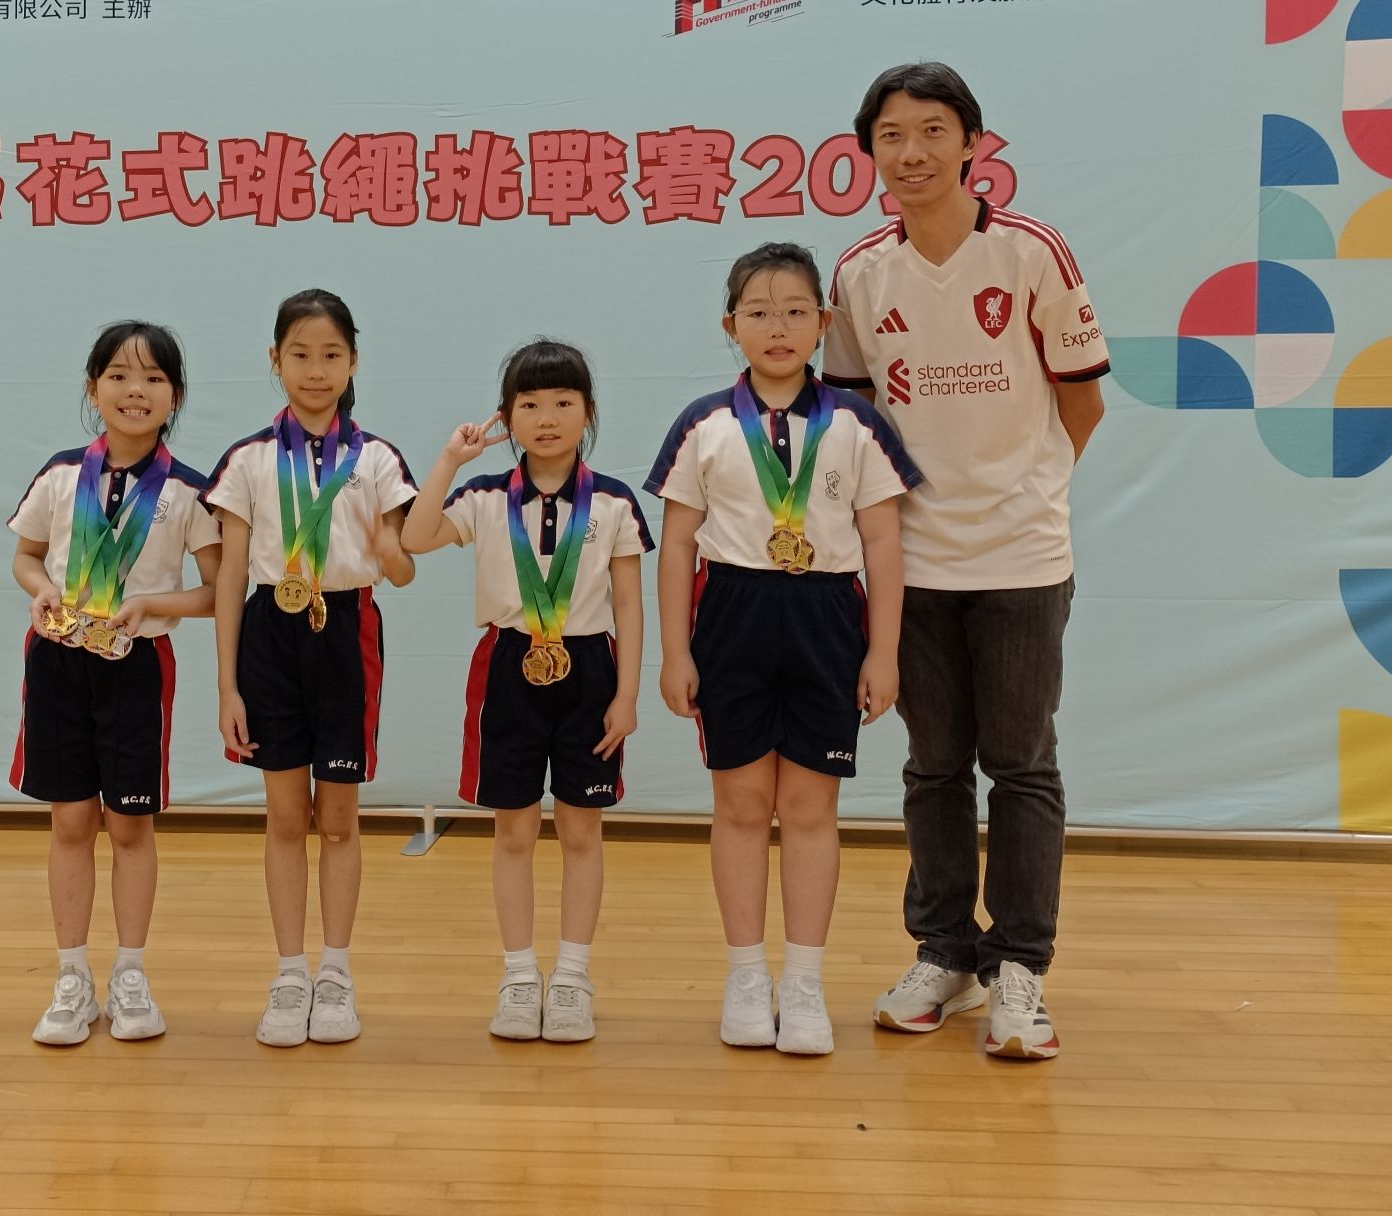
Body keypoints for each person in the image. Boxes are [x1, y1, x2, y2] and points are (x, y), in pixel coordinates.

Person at [824, 61, 1108, 1059]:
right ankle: (945, 951)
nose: (912, 153)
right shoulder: (860, 273)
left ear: (974, 145)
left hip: (1023, 558)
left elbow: (1083, 401)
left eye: (933, 131)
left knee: (1021, 764)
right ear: (870, 153)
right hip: (913, 564)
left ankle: (1020, 966)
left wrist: (1029, 492)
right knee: (934, 765)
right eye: (891, 136)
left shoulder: (1031, 253)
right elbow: (855, 425)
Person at [648, 245, 919, 1054]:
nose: (778, 327)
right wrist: (675, 653)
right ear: (730, 325)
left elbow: (884, 543)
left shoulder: (857, 423)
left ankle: (803, 983)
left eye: (796, 311)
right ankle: (745, 977)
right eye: (759, 313)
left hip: (827, 619)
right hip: (730, 618)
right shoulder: (703, 425)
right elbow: (677, 546)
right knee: (739, 807)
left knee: (808, 809)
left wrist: (884, 653)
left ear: (824, 322)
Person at [401, 339, 649, 1043]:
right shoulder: (484, 496)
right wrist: (451, 459)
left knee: (581, 830)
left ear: (588, 412)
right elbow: (415, 537)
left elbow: (629, 605)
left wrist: (627, 694)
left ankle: (571, 977)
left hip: (590, 670)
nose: (546, 417)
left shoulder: (614, 501)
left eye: (563, 402)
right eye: (529, 404)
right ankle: (517, 975)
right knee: (512, 831)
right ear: (506, 416)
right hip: (508, 668)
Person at [206, 289, 417, 1047]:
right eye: (300, 354)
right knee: (285, 815)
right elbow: (231, 576)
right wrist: (227, 685)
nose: (316, 370)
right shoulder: (248, 460)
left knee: (338, 817)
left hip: (347, 632)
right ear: (275, 360)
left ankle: (336, 972)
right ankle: (290, 972)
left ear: (353, 361)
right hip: (270, 632)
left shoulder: (378, 460)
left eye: (331, 355)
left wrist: (392, 551)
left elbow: (401, 569)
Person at [8, 320, 222, 1046]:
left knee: (130, 824)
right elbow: (27, 557)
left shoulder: (189, 492)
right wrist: (41, 589)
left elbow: (216, 592)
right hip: (58, 660)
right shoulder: (60, 475)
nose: (137, 390)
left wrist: (154, 604)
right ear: (93, 387)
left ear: (176, 396)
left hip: (137, 665)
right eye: (120, 376)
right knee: (71, 822)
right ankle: (72, 979)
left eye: (154, 378)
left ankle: (131, 975)